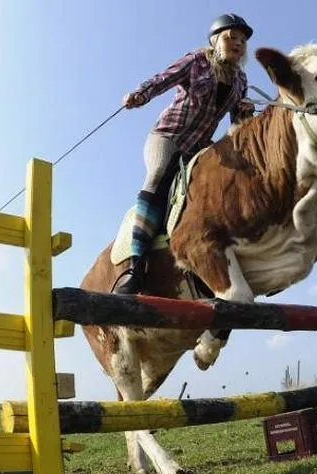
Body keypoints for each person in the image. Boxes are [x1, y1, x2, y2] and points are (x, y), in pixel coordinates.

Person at [112, 13, 256, 294]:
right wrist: (140, 94)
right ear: (216, 40)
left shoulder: (241, 80)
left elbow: (236, 127)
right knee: (159, 173)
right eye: (231, 37)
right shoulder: (197, 60)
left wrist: (244, 114)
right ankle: (134, 265)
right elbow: (164, 78)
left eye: (242, 40)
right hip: (168, 136)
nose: (237, 43)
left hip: (199, 147)